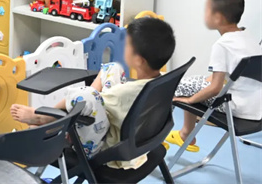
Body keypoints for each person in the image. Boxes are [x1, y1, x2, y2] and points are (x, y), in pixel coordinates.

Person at [10, 18, 175, 169]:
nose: (123, 46)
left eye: (127, 45)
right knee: (113, 68)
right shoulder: (162, 82)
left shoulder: (125, 93)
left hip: (106, 149)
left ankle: (43, 118)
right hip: (136, 138)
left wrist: (86, 99)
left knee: (85, 96)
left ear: (139, 60)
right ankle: (51, 120)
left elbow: (93, 101)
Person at [166, 0, 262, 152]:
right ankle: (188, 130)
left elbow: (215, 88)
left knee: (179, 87)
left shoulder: (222, 45)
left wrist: (190, 100)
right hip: (255, 108)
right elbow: (230, 76)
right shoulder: (249, 37)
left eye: (206, 10)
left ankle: (181, 135)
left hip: (234, 108)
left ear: (218, 18)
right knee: (198, 81)